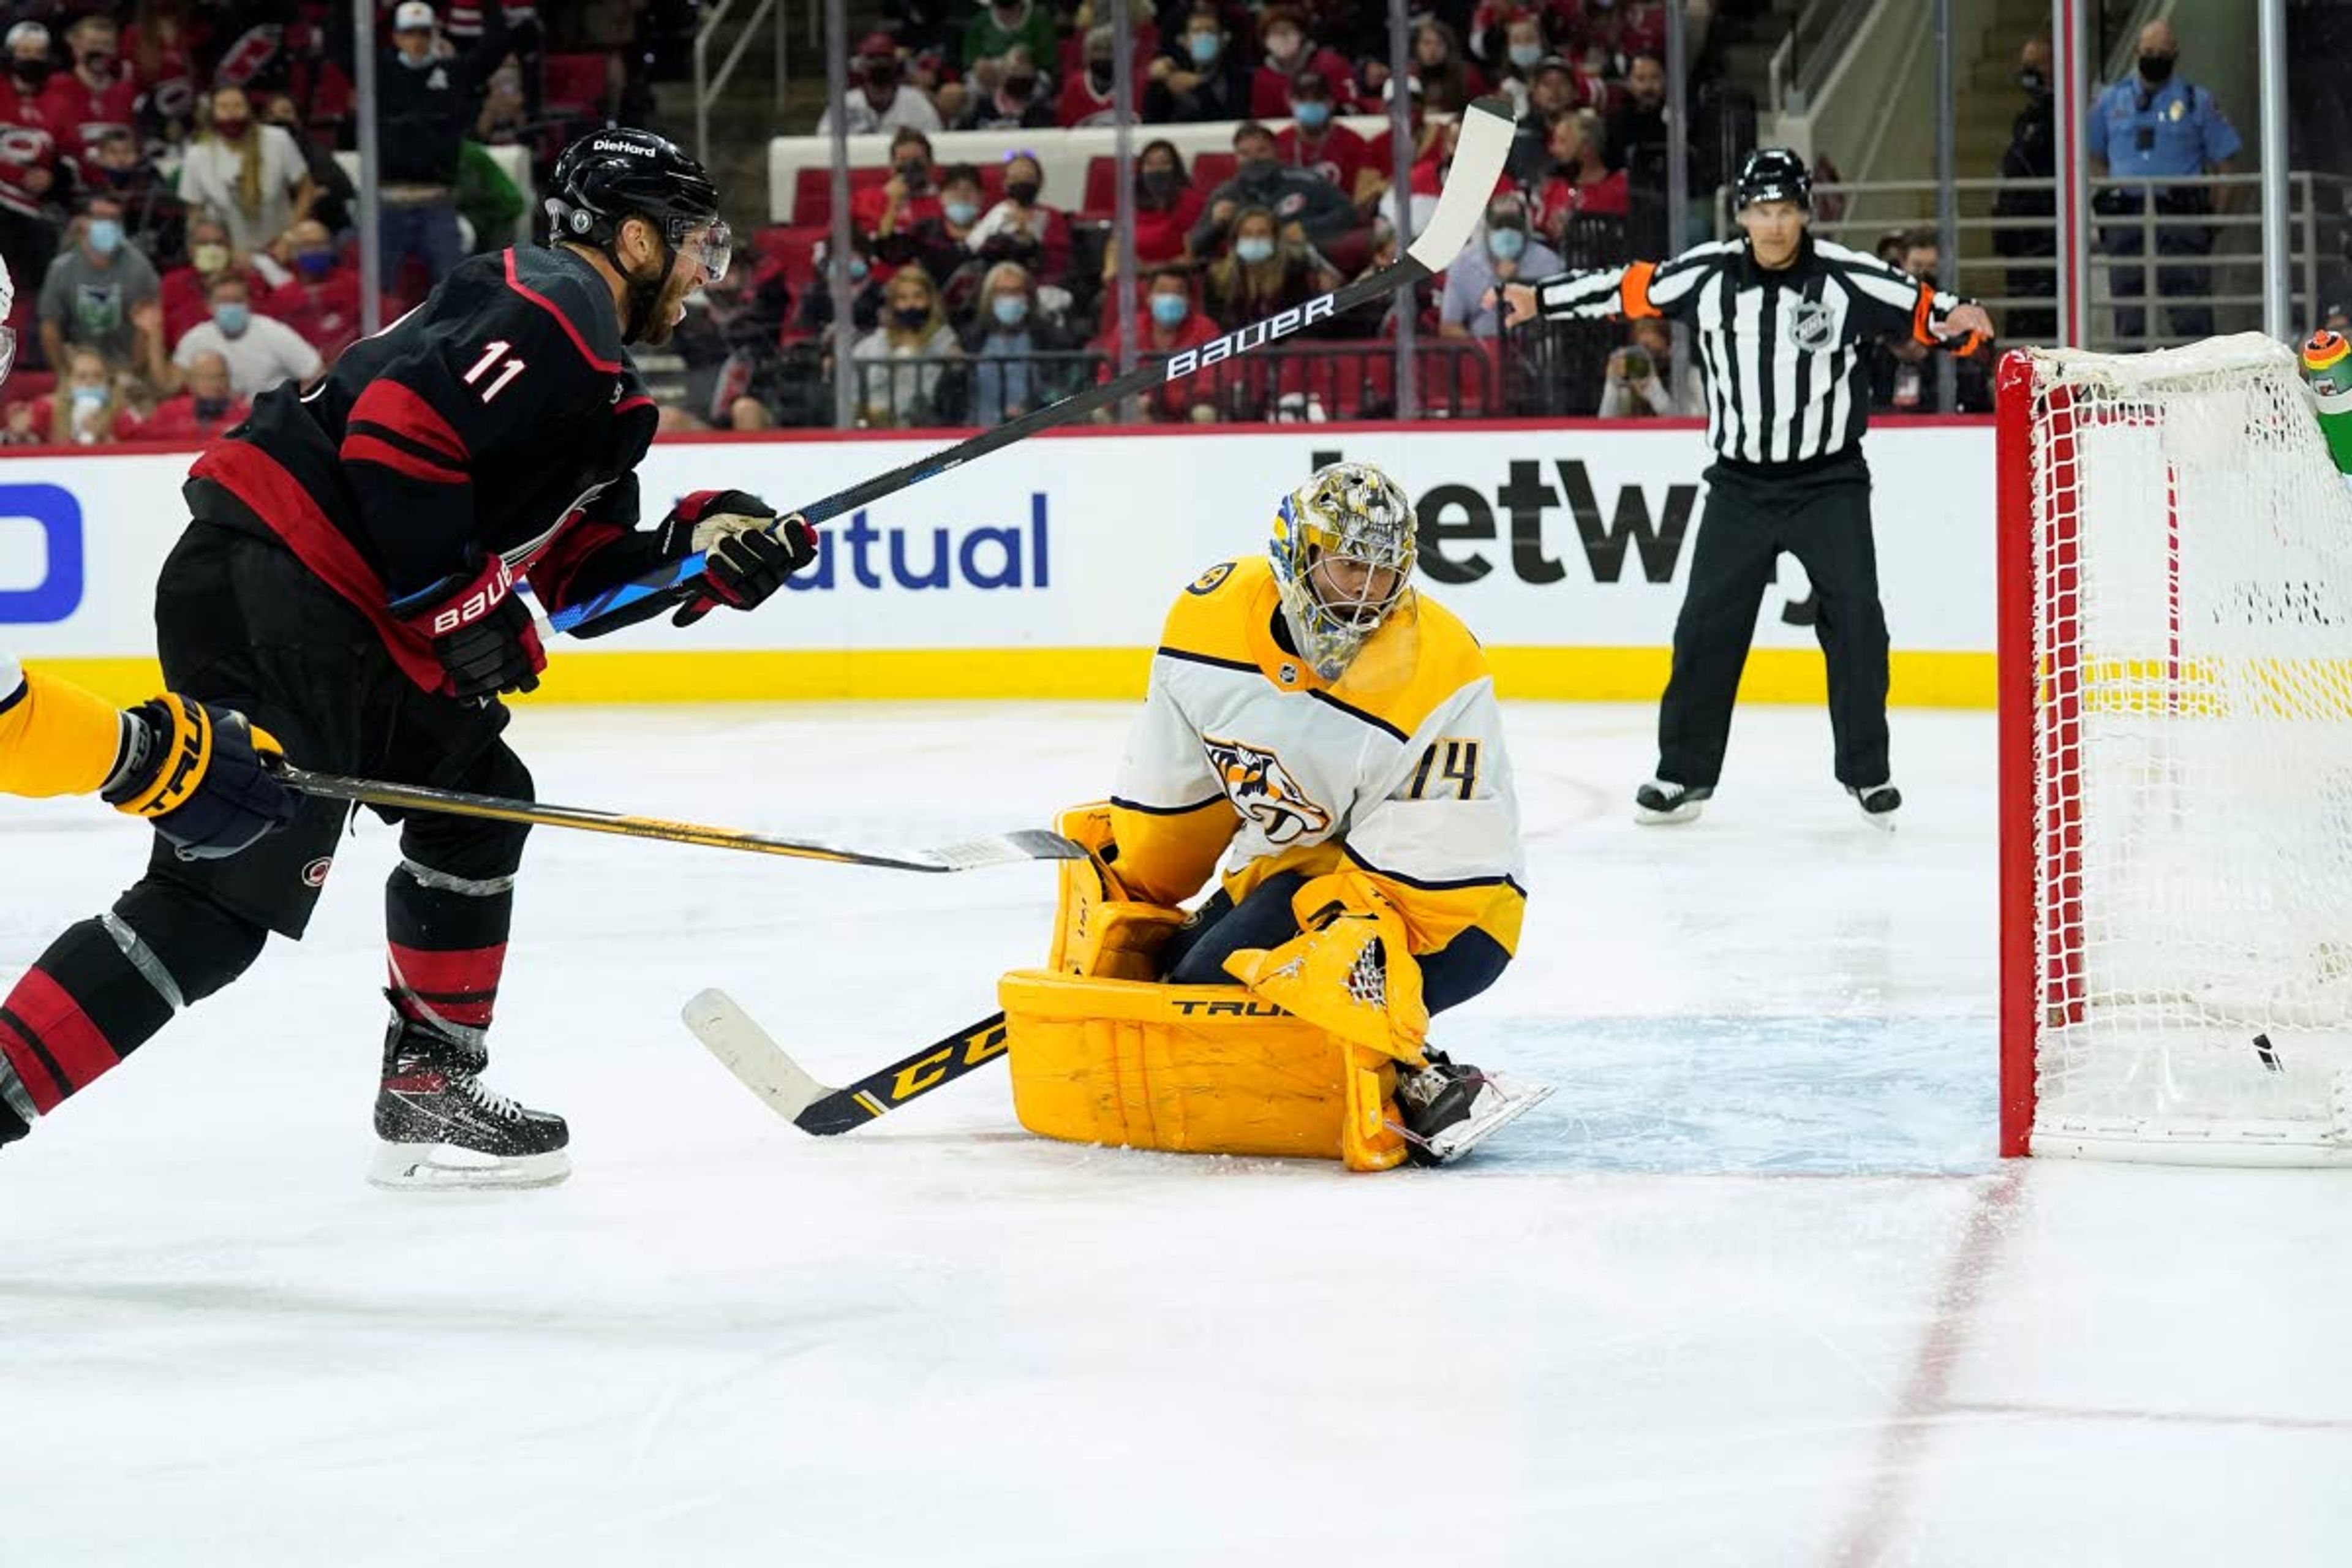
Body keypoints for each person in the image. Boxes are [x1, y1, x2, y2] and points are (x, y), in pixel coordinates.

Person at [0, 130, 817, 1185]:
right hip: (285, 577)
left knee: (479, 800)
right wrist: (460, 609)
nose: (710, 271)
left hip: (344, 611)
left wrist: (703, 558)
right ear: (632, 237)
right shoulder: (556, 298)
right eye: (697, 242)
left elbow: (572, 584)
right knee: (216, 904)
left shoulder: (606, 394)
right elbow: (395, 437)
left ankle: (430, 1084)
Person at [1028, 461, 1534, 1168]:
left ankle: (1419, 1071)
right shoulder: (1208, 623)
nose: (1367, 591)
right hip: (1303, 868)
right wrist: (1138, 871)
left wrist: (1325, 951)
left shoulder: (1439, 662)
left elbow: (1446, 859)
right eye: (1348, 563)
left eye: (1385, 571)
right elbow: (1180, 793)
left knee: (1221, 991)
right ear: (1298, 553)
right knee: (1173, 972)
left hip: (1453, 911)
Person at [1493, 148, 1994, 827]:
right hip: (1740, 487)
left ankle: (1867, 773)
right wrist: (1540, 298)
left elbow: (1924, 309)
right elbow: (1629, 289)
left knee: (1857, 622)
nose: (1775, 225)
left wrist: (1961, 322)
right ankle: (1682, 776)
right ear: (1743, 216)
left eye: (1786, 210)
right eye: (1762, 211)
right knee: (1705, 627)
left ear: (1805, 212)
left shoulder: (1847, 276)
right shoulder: (1706, 275)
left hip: (1829, 482)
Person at [336, 0, 510, 298]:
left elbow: (494, 50)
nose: (416, 41)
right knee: (377, 294)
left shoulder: (452, 74)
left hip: (436, 204)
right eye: (409, 34)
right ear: (397, 37)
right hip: (386, 204)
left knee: (456, 293)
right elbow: (339, 45)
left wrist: (489, 6)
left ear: (433, 35)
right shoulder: (378, 73)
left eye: (423, 33)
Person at [2087, 18, 2239, 345]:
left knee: (2191, 315)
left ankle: (2198, 384)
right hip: (2126, 215)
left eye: (2161, 52)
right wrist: (2108, 190)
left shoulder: (2196, 100)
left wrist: (2214, 220)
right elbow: (2093, 156)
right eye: (2147, 51)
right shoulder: (2110, 101)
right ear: (2136, 52)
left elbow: (2226, 163)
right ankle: (2131, 390)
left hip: (2179, 214)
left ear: (2175, 54)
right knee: (2129, 313)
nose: (2154, 57)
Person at [175, 83, 315, 256]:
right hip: (227, 253)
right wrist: (221, 251)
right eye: (224, 107)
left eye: (238, 106)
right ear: (212, 113)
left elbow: (306, 189)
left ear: (249, 109)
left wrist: (289, 236)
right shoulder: (197, 154)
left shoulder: (278, 140)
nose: (231, 113)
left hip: (280, 247)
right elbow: (194, 215)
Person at [1189, 121, 1359, 259]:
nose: (1254, 159)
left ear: (1276, 151)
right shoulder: (1226, 193)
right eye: (1245, 153)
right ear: (1236, 157)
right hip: (1244, 272)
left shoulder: (1305, 181)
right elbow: (1195, 246)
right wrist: (1216, 225)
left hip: (1298, 262)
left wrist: (1307, 229)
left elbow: (1348, 212)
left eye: (1262, 150)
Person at [37, 194, 162, 374]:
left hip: (127, 363)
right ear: (80, 223)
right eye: (100, 218)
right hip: (81, 363)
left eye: (114, 220)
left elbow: (147, 329)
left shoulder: (139, 268)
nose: (108, 226)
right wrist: (63, 373)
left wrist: (132, 374)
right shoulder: (61, 268)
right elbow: (49, 326)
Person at [1090, 264, 1217, 421]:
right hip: (1138, 409)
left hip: (1187, 411)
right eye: (1162, 291)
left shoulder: (1205, 328)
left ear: (1189, 300)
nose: (1170, 298)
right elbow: (1108, 374)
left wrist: (1157, 400)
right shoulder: (1130, 327)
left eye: (1178, 293)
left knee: (1204, 413)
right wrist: (1128, 400)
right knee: (1101, 413)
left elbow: (1209, 381)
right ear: (1149, 297)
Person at [1991, 35, 2056, 342]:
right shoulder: (2026, 119)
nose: (2027, 73)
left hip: (2044, 237)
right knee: (2021, 316)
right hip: (2019, 238)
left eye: (2035, 66)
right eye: (2025, 66)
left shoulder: (2062, 116)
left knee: (2041, 319)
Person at [168, 272, 322, 401]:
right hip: (218, 422)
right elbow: (174, 385)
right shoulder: (195, 338)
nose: (230, 307)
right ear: (209, 305)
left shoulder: (273, 332)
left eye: (237, 301)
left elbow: (317, 375)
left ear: (249, 303)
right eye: (223, 301)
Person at [960, 259, 1077, 425]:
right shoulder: (972, 339)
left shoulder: (1050, 338)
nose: (1010, 298)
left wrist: (1034, 405)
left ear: (1029, 296)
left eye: (1016, 292)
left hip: (1036, 433)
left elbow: (1060, 389)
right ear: (989, 297)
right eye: (1002, 292)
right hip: (979, 433)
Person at [851, 262, 959, 426]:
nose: (911, 305)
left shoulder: (947, 343)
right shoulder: (872, 346)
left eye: (918, 297)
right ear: (893, 303)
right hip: (877, 433)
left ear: (930, 300)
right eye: (903, 298)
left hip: (928, 433)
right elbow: (855, 396)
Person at [1441, 194, 1561, 339]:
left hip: (1536, 347)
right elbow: (1449, 326)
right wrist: (1482, 353)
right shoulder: (1463, 264)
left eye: (1513, 225)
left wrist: (1516, 283)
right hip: (1485, 346)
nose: (1507, 232)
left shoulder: (1548, 262)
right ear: (1487, 228)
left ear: (1525, 228)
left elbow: (1560, 320)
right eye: (1499, 225)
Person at [966, 151, 1072, 288]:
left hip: (1040, 286)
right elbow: (974, 247)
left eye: (1028, 177)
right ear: (1005, 183)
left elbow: (1058, 264)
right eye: (1015, 178)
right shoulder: (996, 213)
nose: (1022, 183)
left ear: (1039, 183)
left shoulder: (1053, 217)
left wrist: (1029, 238)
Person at [1273, 72, 1379, 206]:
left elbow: (1365, 197)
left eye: (1317, 98)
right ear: (1290, 102)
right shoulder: (1278, 143)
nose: (1310, 104)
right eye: (1302, 99)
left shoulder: (1354, 143)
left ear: (1331, 103)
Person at [817, 32, 943, 135]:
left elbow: (935, 138)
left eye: (884, 57)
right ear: (861, 64)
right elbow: (824, 140)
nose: (879, 63)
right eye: (872, 58)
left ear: (895, 63)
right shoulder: (846, 103)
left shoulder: (915, 100)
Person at [1145, 2, 1250, 124]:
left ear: (1223, 39)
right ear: (1184, 41)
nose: (1204, 37)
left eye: (1210, 31)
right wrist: (1157, 86)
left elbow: (1227, 122)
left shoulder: (1238, 79)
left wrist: (1200, 86)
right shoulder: (1171, 76)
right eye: (1196, 32)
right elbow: (1151, 121)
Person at [130, 349, 249, 442]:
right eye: (208, 378)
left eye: (221, 376)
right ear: (192, 381)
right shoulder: (170, 411)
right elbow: (132, 433)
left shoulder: (244, 413)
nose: (216, 384)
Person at [1597, 315, 1698, 417]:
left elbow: (1688, 426)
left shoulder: (1691, 379)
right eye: (1643, 352)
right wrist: (1613, 383)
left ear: (1670, 348)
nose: (1650, 363)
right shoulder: (1631, 379)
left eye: (1655, 354)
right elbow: (1604, 424)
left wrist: (1656, 394)